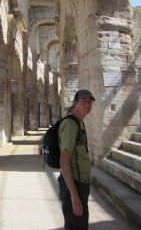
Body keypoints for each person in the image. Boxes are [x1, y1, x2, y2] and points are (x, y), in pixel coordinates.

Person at [58, 89, 95, 230]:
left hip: (81, 183)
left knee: (76, 224)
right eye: (84, 102)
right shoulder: (70, 124)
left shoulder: (79, 122)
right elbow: (64, 161)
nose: (88, 105)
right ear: (75, 103)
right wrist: (74, 196)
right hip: (74, 184)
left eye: (90, 102)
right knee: (77, 225)